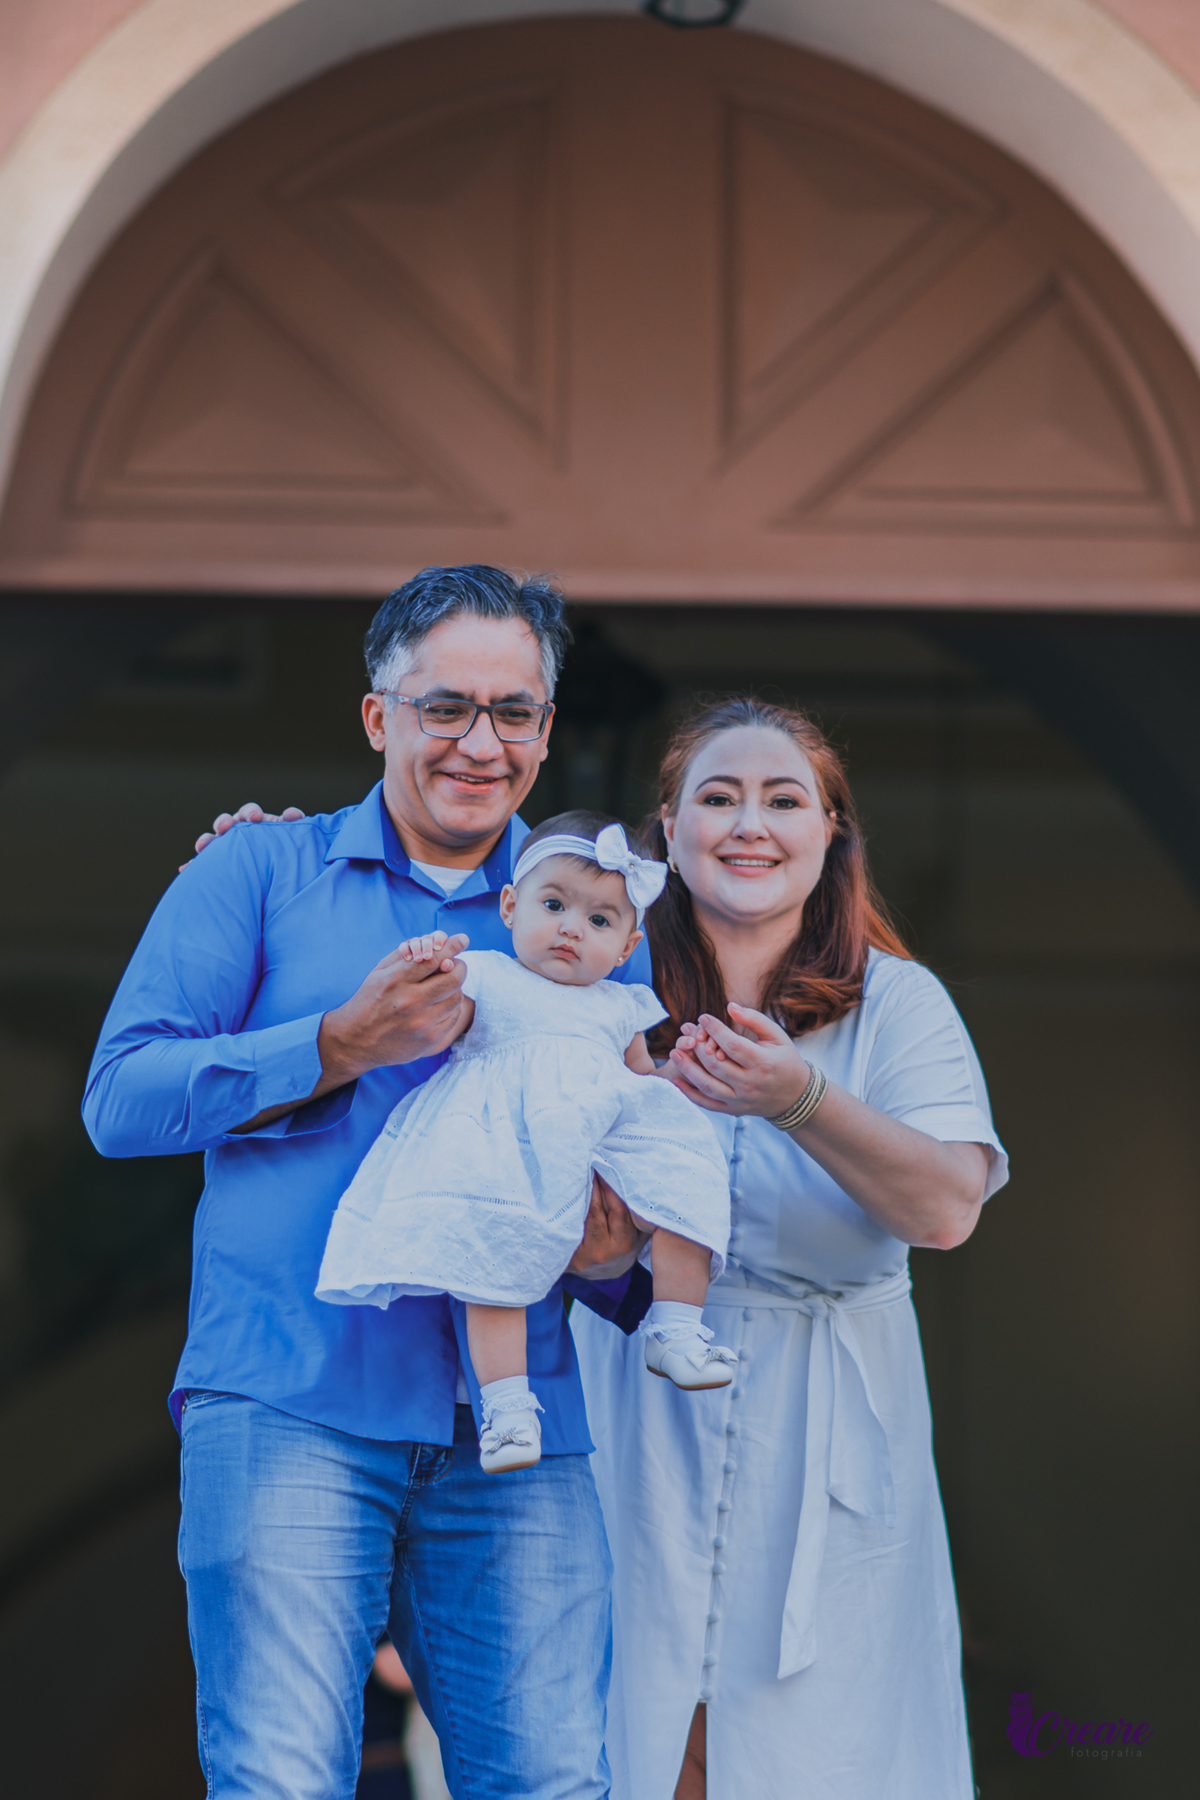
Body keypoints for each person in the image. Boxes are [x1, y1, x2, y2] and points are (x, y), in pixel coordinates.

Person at [82, 567, 654, 1800]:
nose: (479, 742)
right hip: (292, 1397)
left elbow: (633, 1199)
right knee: (282, 1781)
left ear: (549, 731)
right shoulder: (253, 874)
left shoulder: (596, 923)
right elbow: (119, 1101)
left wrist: (618, 1265)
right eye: (445, 706)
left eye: (513, 712)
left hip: (517, 1428)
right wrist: (335, 1043)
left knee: (558, 1785)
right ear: (376, 717)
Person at [569, 697, 1009, 1800]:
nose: (748, 823)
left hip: (824, 1431)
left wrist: (798, 1097)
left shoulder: (897, 1004)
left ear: (828, 835)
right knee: (623, 1742)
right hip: (630, 1412)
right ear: (666, 830)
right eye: (717, 797)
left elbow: (948, 1207)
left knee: (823, 1749)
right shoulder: (592, 988)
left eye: (782, 799)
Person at [316, 811, 735, 1474]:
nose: (572, 927)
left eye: (600, 921)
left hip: (598, 1134)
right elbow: (442, 1020)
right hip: (505, 1144)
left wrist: (683, 1079)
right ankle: (508, 1410)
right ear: (510, 907)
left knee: (686, 1176)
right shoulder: (486, 974)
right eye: (553, 904)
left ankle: (676, 1326)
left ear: (626, 949)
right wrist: (427, 966)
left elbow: (641, 1083)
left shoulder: (620, 1003)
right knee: (491, 1261)